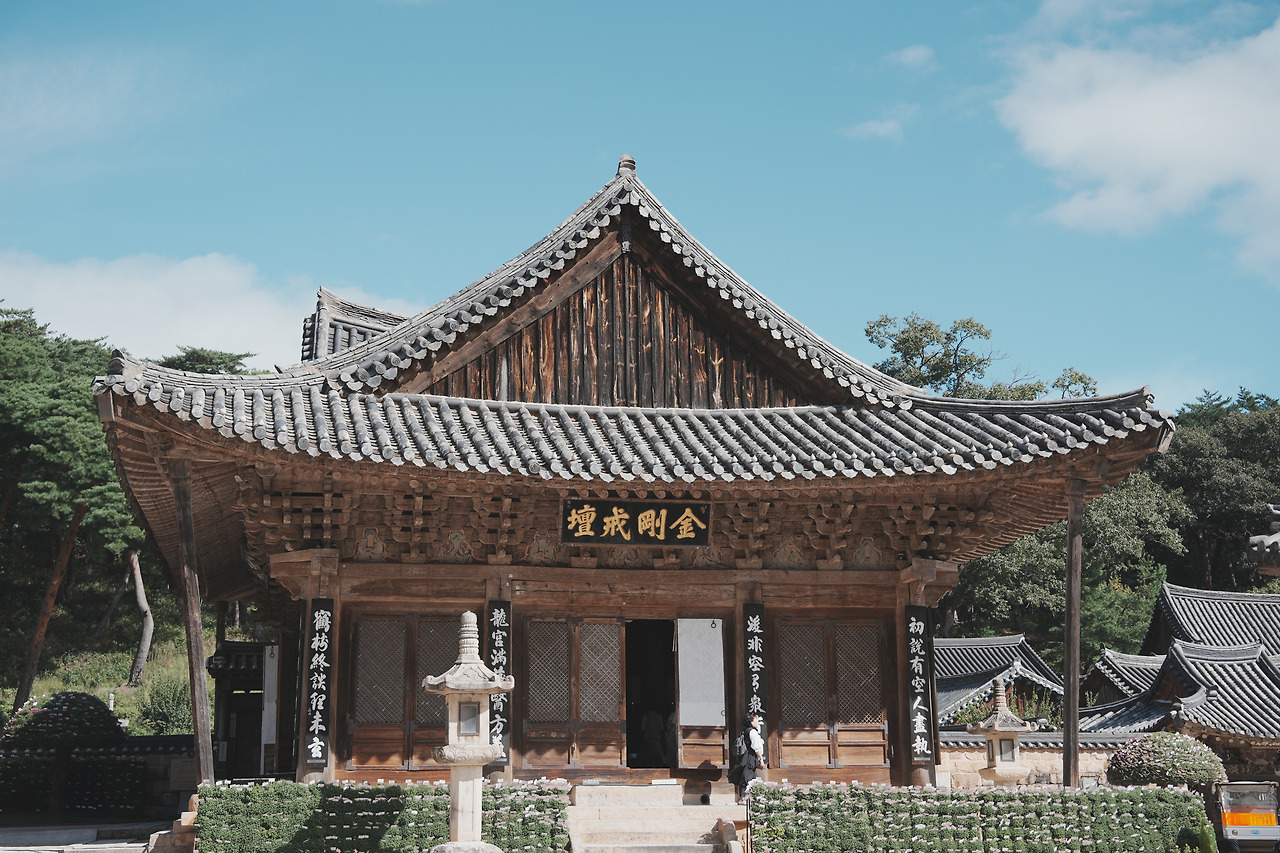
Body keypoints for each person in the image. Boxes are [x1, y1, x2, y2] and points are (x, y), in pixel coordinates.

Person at [728, 713, 766, 801]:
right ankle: (744, 797)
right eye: (755, 720)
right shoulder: (752, 732)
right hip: (750, 757)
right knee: (747, 777)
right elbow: (756, 746)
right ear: (751, 721)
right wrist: (761, 758)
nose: (757, 722)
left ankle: (751, 797)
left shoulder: (745, 730)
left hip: (745, 756)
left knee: (750, 776)